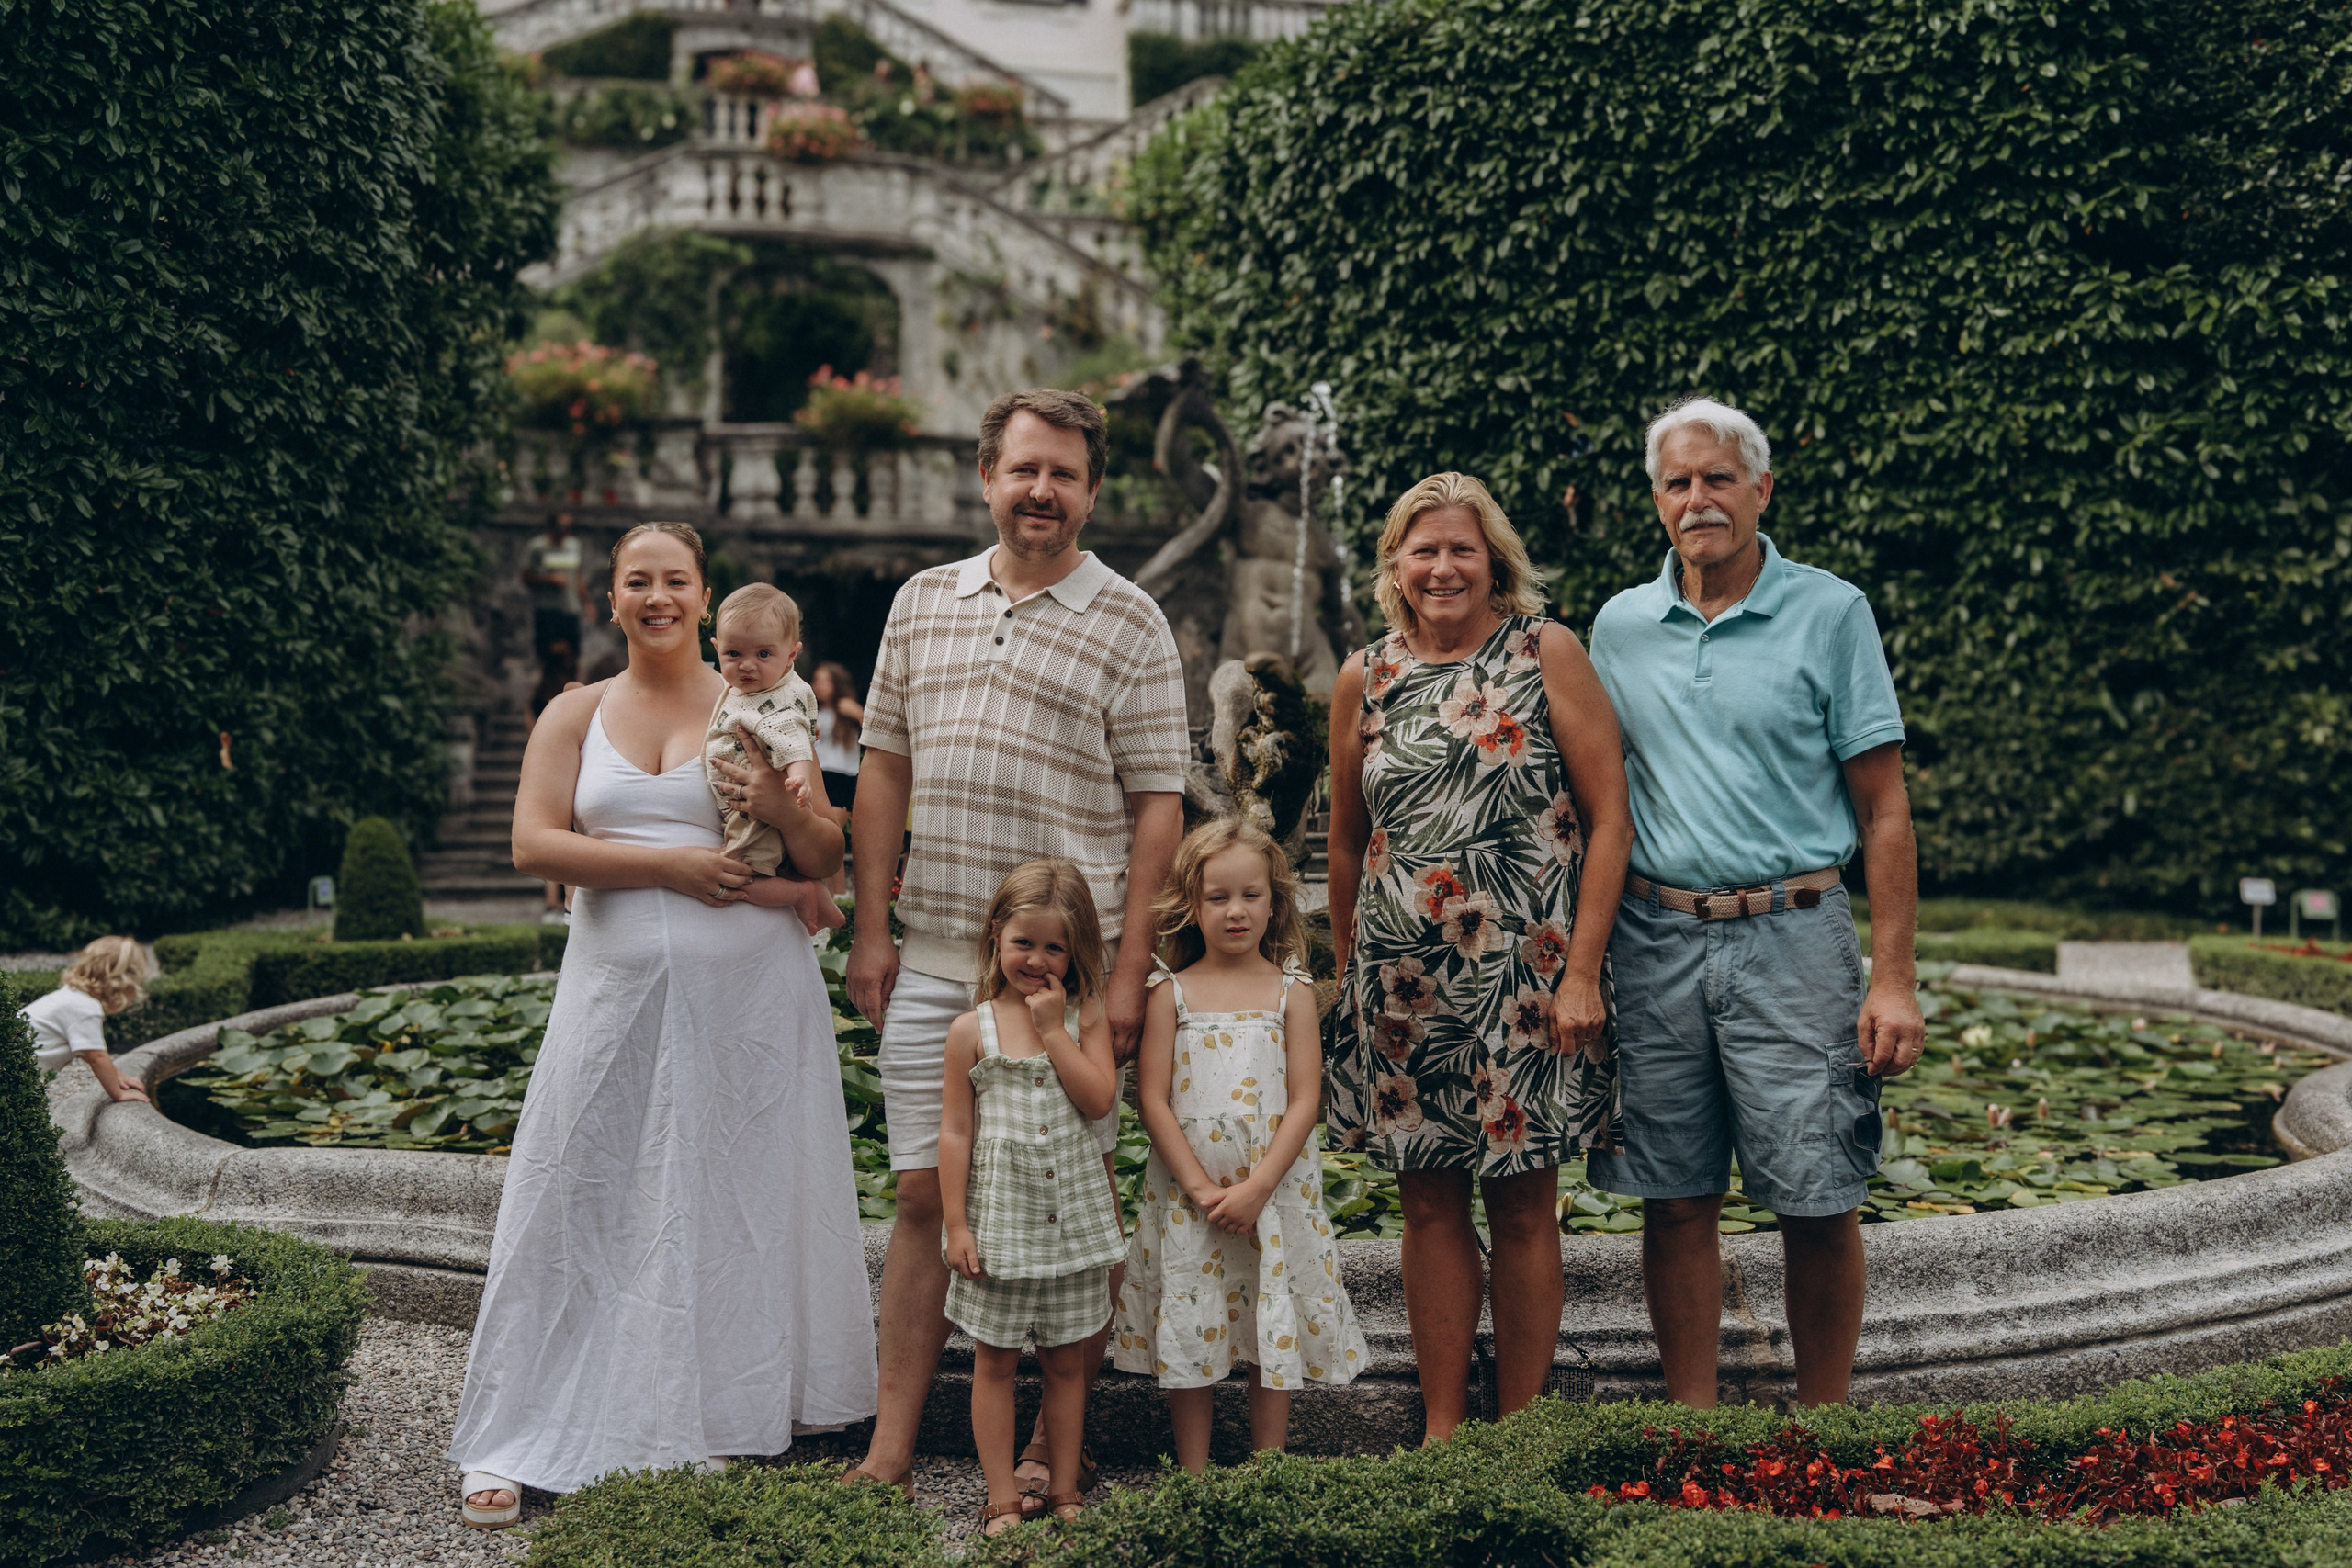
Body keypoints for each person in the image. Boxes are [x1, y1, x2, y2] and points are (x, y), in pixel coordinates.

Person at [797, 389, 1186, 1498]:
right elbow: (884, 771)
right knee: (924, 1200)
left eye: (1063, 474)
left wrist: (1123, 974)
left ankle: (1052, 1447)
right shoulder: (923, 600)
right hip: (934, 961)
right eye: (1024, 469)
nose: (1041, 491)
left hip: (1065, 978)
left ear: (1092, 491)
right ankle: (890, 1448)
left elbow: (1158, 805)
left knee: (1072, 1207)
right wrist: (873, 928)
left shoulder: (1132, 620)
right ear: (986, 478)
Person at [448, 522, 876, 1528]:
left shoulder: (760, 702)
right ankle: (518, 1429)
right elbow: (532, 843)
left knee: (731, 1199)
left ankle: (718, 1412)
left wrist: (782, 803)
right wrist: (669, 866)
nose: (656, 596)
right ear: (609, 599)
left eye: (675, 580)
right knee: (574, 1192)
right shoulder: (574, 711)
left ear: (703, 596)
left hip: (751, 1001)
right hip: (611, 996)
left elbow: (824, 855)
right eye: (636, 580)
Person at [1584, 397, 1925, 1409]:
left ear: (1761, 489)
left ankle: (1822, 1429)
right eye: (1678, 483)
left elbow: (1884, 810)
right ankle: (1693, 1428)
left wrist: (1893, 979)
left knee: (1819, 1198)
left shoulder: (1831, 612)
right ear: (1657, 500)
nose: (1698, 499)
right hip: (1653, 940)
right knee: (1673, 1200)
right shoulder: (1618, 627)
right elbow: (1593, 800)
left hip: (1795, 937)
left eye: (1718, 478)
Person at [1324, 471, 1634, 1443]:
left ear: (1494, 560)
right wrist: (1347, 975)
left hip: (1525, 982)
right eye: (1424, 550)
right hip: (1402, 990)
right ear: (1396, 566)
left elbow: (1610, 818)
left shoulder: (1545, 651)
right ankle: (1444, 1428)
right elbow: (1345, 840)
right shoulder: (1365, 675)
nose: (1443, 567)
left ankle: (1521, 1431)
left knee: (1524, 1204)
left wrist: (1581, 972)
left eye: (1462, 548)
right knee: (1426, 1204)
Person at [1112, 818, 1365, 1472]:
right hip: (1190, 1199)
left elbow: (1305, 1100)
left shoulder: (1292, 991)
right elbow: (1153, 1099)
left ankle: (1267, 1472)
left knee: (1268, 1318)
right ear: (1191, 906)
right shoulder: (1170, 992)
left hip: (1272, 1197)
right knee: (1192, 1324)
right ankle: (1194, 1476)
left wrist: (1257, 1188)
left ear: (1274, 902)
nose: (1235, 910)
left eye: (1251, 895)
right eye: (1218, 897)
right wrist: (1201, 1188)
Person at [939, 861, 1127, 1536]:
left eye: (1055, 947)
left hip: (1071, 1226)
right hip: (1002, 1227)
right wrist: (956, 1225)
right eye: (1024, 942)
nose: (1037, 959)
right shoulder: (972, 1029)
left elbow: (1099, 1100)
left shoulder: (1084, 1016)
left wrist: (1053, 1031)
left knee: (1067, 1361)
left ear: (1077, 953)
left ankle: (1065, 1486)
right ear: (996, 935)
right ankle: (1001, 1498)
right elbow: (956, 1132)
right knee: (993, 1361)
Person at [702, 582, 844, 935]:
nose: (747, 666)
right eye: (733, 654)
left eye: (764, 654)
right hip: (746, 809)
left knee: (737, 873)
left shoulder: (778, 701)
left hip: (756, 813)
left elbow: (795, 745)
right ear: (717, 648)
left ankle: (802, 894)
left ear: (791, 655)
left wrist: (798, 783)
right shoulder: (736, 692)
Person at [20, 936, 153, 1104]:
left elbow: (88, 1049)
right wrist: (118, 1094)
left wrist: (118, 1075)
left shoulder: (72, 995)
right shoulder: (85, 1009)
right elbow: (96, 1057)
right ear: (122, 984)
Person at [810, 661, 865, 815]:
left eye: (825, 681)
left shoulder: (846, 708)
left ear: (837, 684)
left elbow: (873, 729)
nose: (819, 686)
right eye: (816, 681)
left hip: (841, 776)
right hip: (817, 775)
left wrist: (857, 712)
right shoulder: (813, 713)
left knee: (831, 824)